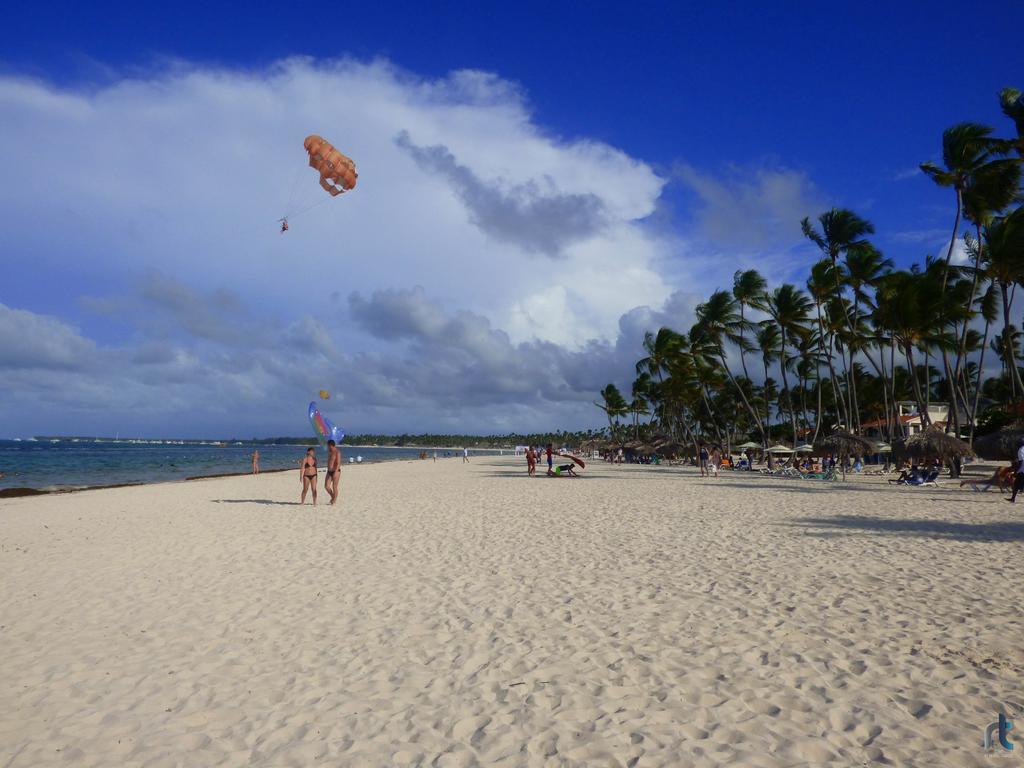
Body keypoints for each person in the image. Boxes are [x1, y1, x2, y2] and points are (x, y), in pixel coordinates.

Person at [325, 439, 341, 505]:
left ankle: (334, 500)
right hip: (329, 471)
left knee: (334, 487)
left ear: (331, 445)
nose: (327, 447)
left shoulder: (337, 452)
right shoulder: (330, 452)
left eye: (328, 446)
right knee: (326, 486)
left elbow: (338, 463)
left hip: (336, 471)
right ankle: (333, 497)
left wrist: (335, 472)